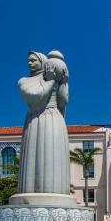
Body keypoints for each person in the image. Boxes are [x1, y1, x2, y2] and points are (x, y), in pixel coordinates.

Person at [17, 50, 70, 194]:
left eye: (33, 60)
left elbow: (63, 101)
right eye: (28, 60)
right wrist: (51, 81)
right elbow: (36, 97)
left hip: (54, 119)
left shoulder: (52, 75)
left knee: (54, 156)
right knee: (35, 158)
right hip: (36, 120)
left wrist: (64, 83)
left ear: (42, 62)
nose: (30, 63)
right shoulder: (24, 81)